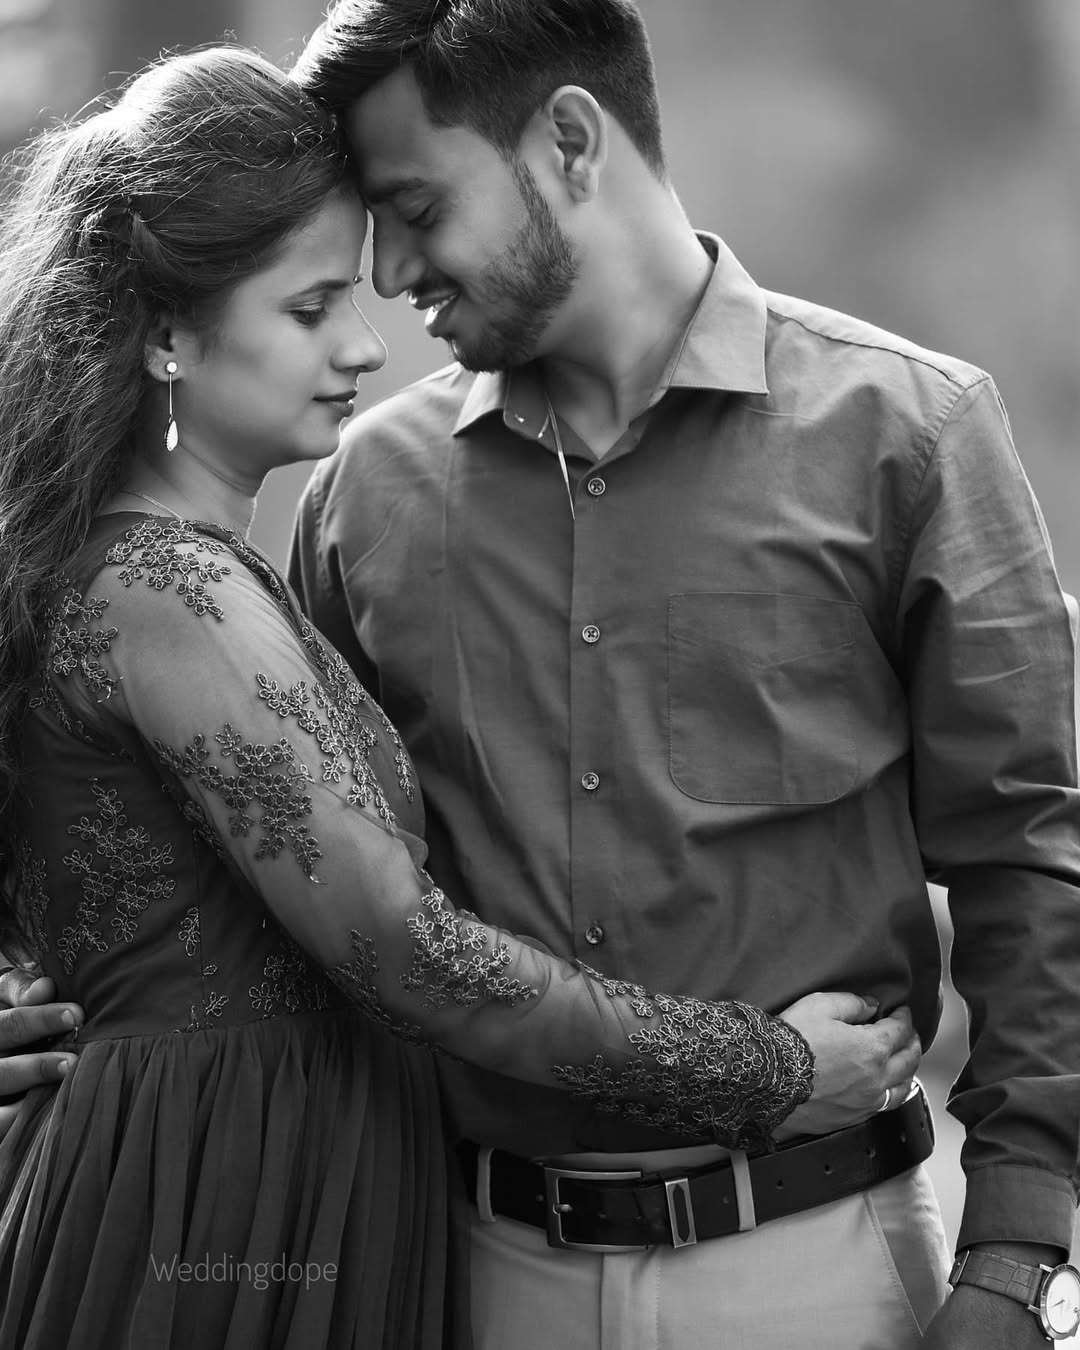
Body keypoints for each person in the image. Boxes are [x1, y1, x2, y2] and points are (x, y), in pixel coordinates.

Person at [0, 41, 918, 1350]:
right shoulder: (166, 588)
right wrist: (763, 1068)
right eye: (311, 308)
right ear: (164, 334)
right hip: (214, 1202)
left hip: (278, 1175)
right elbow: (404, 948)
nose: (363, 343)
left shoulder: (187, 570)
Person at [283, 3, 1080, 1348]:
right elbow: (312, 896)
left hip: (826, 1277)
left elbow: (1030, 858)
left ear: (571, 140)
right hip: (473, 1277)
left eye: (414, 207)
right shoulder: (366, 492)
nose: (389, 267)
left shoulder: (911, 432)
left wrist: (1017, 1259)